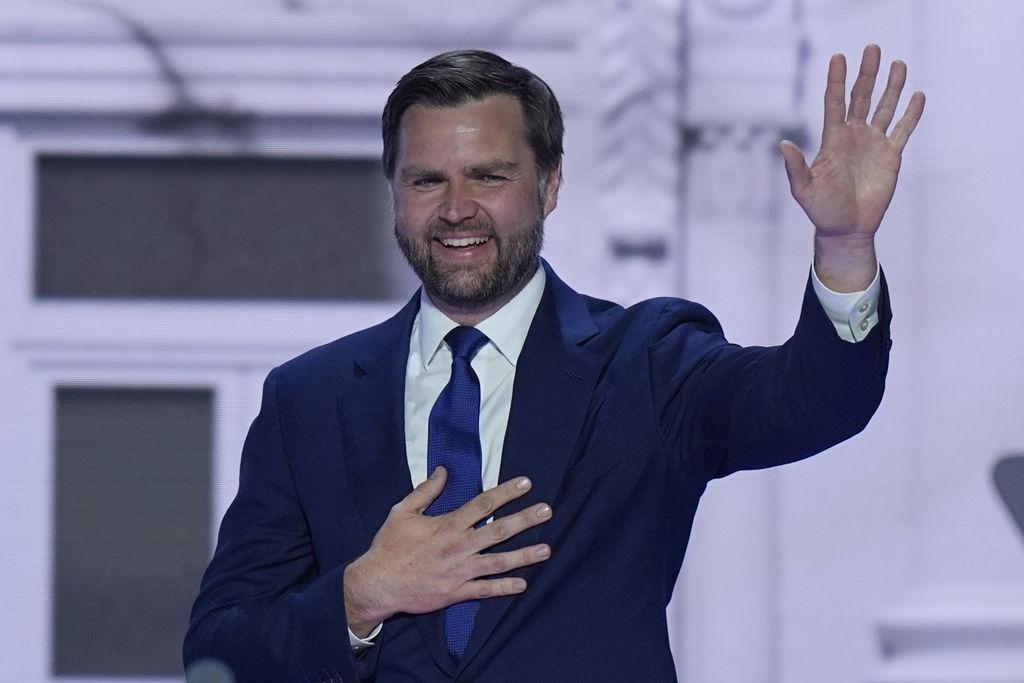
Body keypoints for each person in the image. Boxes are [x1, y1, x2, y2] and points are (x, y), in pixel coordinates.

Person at [184, 45, 924, 682]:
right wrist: (360, 594)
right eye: (427, 180)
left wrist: (845, 248)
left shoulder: (647, 362)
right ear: (396, 194)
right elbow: (218, 652)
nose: (456, 208)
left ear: (550, 185)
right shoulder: (307, 398)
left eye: (490, 176)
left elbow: (816, 399)